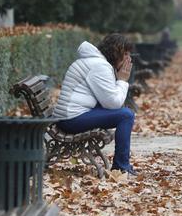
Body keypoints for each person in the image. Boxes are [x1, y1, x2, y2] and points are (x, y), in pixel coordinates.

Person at [53, 34, 137, 175]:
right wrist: (122, 80)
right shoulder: (99, 66)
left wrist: (118, 79)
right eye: (126, 54)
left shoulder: (96, 63)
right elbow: (113, 103)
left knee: (124, 114)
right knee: (126, 115)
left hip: (69, 116)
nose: (129, 59)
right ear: (116, 53)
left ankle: (122, 165)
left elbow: (107, 101)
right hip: (71, 119)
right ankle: (121, 166)